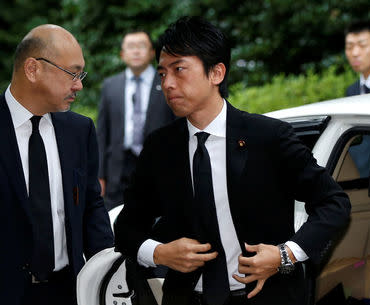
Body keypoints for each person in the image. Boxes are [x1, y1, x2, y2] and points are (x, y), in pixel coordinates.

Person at [115, 16, 351, 305]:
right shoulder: (160, 147)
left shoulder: (269, 137)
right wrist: (158, 253)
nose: (168, 84)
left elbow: (334, 203)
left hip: (265, 296)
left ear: (216, 73)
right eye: (162, 73)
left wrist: (284, 255)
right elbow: (126, 226)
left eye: (179, 70)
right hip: (187, 297)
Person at [0, 24, 114, 305]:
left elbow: (91, 207)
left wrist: (110, 277)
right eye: (73, 73)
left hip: (67, 290)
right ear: (32, 69)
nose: (79, 85)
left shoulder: (79, 130)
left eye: (81, 74)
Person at [97, 30, 175, 211]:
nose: (136, 51)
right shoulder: (110, 86)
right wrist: (99, 174)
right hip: (118, 169)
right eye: (131, 47)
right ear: (122, 54)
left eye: (141, 46)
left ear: (151, 53)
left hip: (158, 167)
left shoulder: (167, 83)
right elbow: (102, 133)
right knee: (115, 225)